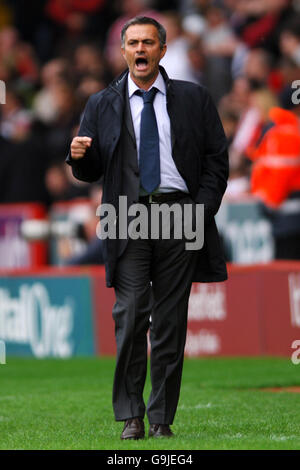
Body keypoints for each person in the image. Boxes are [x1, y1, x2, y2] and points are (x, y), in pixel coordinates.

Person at [66, 16, 228, 439]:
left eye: (148, 43)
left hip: (181, 214)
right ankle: (131, 415)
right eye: (133, 43)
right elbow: (91, 169)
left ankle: (160, 421)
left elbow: (216, 161)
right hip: (126, 215)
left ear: (162, 50)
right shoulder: (101, 103)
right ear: (122, 51)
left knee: (171, 321)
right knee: (133, 312)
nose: (140, 50)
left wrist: (201, 210)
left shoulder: (195, 98)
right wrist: (80, 157)